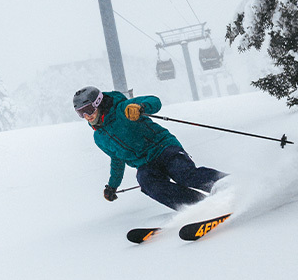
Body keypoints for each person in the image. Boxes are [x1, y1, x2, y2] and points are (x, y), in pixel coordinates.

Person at [73, 86, 227, 210]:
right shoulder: (100, 137)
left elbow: (155, 101)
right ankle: (197, 206)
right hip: (145, 164)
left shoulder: (122, 108)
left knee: (183, 175)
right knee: (147, 182)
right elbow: (117, 160)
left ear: (98, 103)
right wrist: (112, 186)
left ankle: (227, 185)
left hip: (163, 148)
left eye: (89, 110)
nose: (87, 116)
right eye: (81, 113)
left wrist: (140, 107)